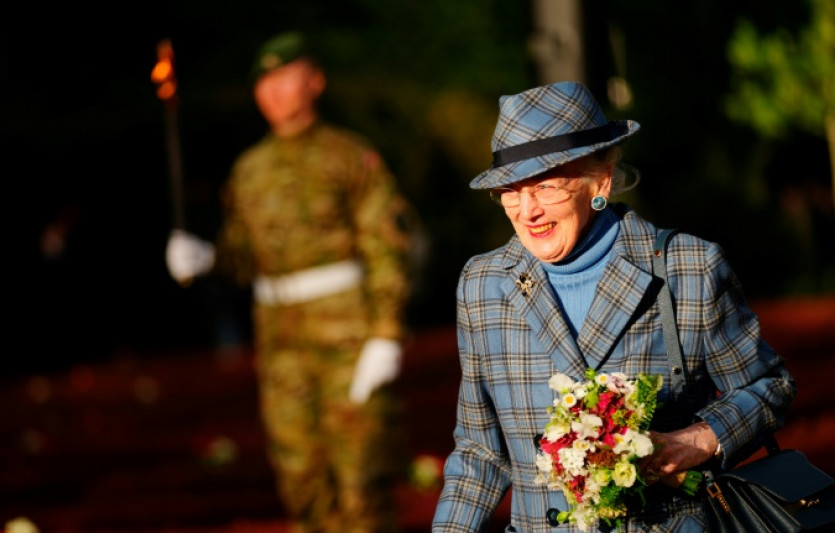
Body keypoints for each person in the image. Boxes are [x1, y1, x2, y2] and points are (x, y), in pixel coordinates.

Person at [431, 81, 796, 532]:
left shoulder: (686, 268)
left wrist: (699, 438)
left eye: (546, 187)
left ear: (599, 181)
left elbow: (769, 386)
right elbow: (479, 451)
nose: (527, 211)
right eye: (511, 190)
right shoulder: (483, 284)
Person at [165, 31, 417, 533]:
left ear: (315, 81)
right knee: (302, 483)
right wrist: (207, 257)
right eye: (264, 81)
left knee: (361, 483)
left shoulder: (349, 155)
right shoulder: (249, 170)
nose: (273, 91)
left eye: (285, 77)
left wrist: (386, 334)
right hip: (281, 345)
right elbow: (243, 258)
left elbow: (388, 245)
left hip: (347, 336)